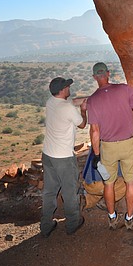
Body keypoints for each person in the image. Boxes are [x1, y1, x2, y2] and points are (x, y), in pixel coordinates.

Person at [87, 62, 133, 230]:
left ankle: (112, 217)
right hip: (128, 143)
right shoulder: (123, 90)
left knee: (108, 183)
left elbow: (95, 131)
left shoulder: (93, 100)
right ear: (108, 74)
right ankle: (130, 218)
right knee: (130, 181)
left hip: (108, 146)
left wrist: (96, 154)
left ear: (95, 77)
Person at [41, 76, 88, 237]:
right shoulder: (68, 109)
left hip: (48, 154)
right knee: (70, 191)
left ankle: (46, 225)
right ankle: (73, 223)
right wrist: (83, 110)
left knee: (49, 192)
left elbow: (71, 101)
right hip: (63, 158)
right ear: (62, 90)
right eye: (67, 86)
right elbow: (82, 124)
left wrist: (88, 98)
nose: (69, 88)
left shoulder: (51, 102)